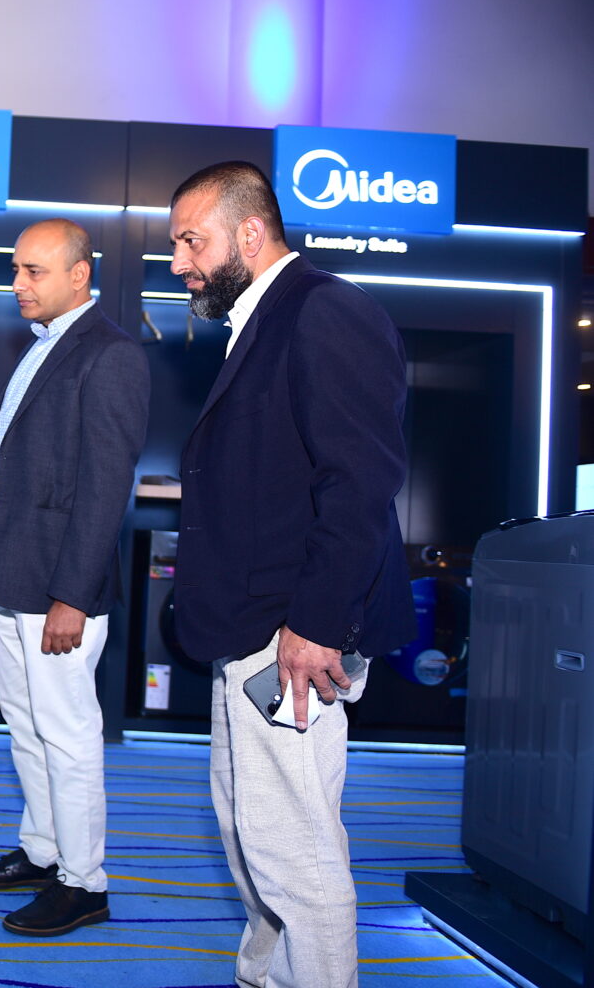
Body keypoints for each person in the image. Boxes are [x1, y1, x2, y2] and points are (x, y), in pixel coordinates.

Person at [166, 161, 416, 988]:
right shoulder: (262, 319)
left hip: (295, 632)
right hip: (251, 629)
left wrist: (313, 624)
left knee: (295, 854)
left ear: (249, 232)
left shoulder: (325, 310)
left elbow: (361, 483)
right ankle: (265, 978)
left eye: (190, 241)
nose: (178, 262)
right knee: (251, 837)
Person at [0, 218, 149, 936]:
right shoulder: (43, 346)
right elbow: (3, 464)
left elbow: (104, 489)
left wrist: (72, 595)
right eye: (16, 269)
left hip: (58, 591)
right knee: (27, 727)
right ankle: (43, 851)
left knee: (67, 736)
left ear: (79, 275)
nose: (18, 284)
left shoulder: (111, 354)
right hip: (11, 578)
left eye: (33, 271)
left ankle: (84, 882)